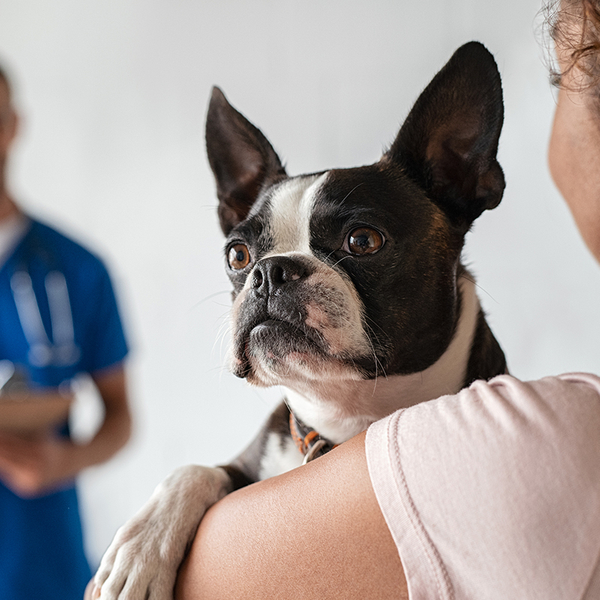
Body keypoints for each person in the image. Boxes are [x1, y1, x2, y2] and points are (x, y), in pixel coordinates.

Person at [169, 2, 600, 599]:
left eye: (360, 241)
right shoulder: (266, 450)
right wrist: (190, 487)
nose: (265, 282)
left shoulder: (515, 450)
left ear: (462, 179)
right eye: (245, 258)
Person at [0, 64, 132, 599]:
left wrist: (67, 460)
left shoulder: (78, 270)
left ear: (12, 125)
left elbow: (120, 416)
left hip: (42, 566)